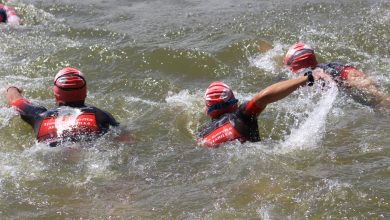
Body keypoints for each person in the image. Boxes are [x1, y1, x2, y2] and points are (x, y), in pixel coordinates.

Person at [197, 72, 327, 148]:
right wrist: (307, 78)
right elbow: (263, 97)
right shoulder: (241, 116)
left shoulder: (203, 134)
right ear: (234, 103)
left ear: (207, 109)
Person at [5, 67, 119, 147]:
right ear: (85, 93)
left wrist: (12, 87)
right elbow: (125, 140)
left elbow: (15, 100)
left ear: (55, 94)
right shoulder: (100, 115)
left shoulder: (40, 116)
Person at [284, 42, 390, 108]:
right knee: (367, 85)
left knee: (351, 83)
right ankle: (382, 96)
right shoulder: (320, 68)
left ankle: (384, 99)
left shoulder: (309, 75)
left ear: (294, 68)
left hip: (333, 74)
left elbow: (325, 80)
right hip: (339, 68)